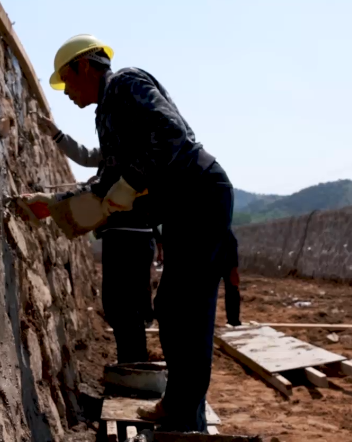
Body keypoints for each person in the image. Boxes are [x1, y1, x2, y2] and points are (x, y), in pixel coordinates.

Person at [29, 34, 240, 432]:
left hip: (200, 194)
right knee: (171, 306)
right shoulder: (106, 115)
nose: (67, 92)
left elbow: (172, 133)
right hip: (181, 206)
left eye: (66, 80)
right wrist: (54, 205)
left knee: (188, 307)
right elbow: (106, 182)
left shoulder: (126, 84)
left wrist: (132, 180)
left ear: (84, 66)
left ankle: (185, 417)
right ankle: (179, 405)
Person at [36, 115, 157, 363]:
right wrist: (57, 135)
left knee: (122, 305)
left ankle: (133, 364)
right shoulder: (118, 151)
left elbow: (100, 188)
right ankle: (132, 361)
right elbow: (85, 155)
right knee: (121, 306)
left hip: (128, 238)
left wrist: (59, 200)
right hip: (127, 236)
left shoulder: (128, 153)